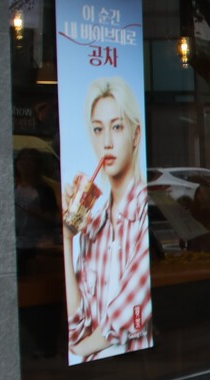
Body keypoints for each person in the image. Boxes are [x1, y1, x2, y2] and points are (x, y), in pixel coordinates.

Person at [61, 76, 153, 363]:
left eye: (117, 126)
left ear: (136, 135)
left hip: (139, 366)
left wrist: (83, 348)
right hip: (99, 372)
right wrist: (67, 238)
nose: (107, 142)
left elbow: (130, 312)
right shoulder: (94, 226)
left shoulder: (143, 208)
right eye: (98, 129)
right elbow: (76, 327)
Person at [14, 147, 60, 276]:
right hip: (18, 243)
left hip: (36, 245)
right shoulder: (14, 187)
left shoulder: (44, 190)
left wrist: (39, 213)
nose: (26, 164)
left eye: (30, 161)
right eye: (23, 160)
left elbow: (56, 219)